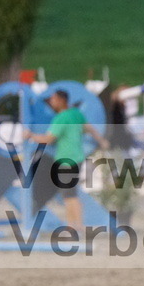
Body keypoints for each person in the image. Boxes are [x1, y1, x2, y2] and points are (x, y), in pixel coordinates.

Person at [25, 89, 108, 231]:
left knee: (70, 195)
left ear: (61, 100)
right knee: (68, 194)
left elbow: (49, 139)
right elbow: (89, 128)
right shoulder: (76, 114)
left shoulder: (61, 118)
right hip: (77, 158)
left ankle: (77, 226)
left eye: (53, 99)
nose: (51, 102)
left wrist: (29, 135)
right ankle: (72, 226)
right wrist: (101, 140)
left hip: (66, 159)